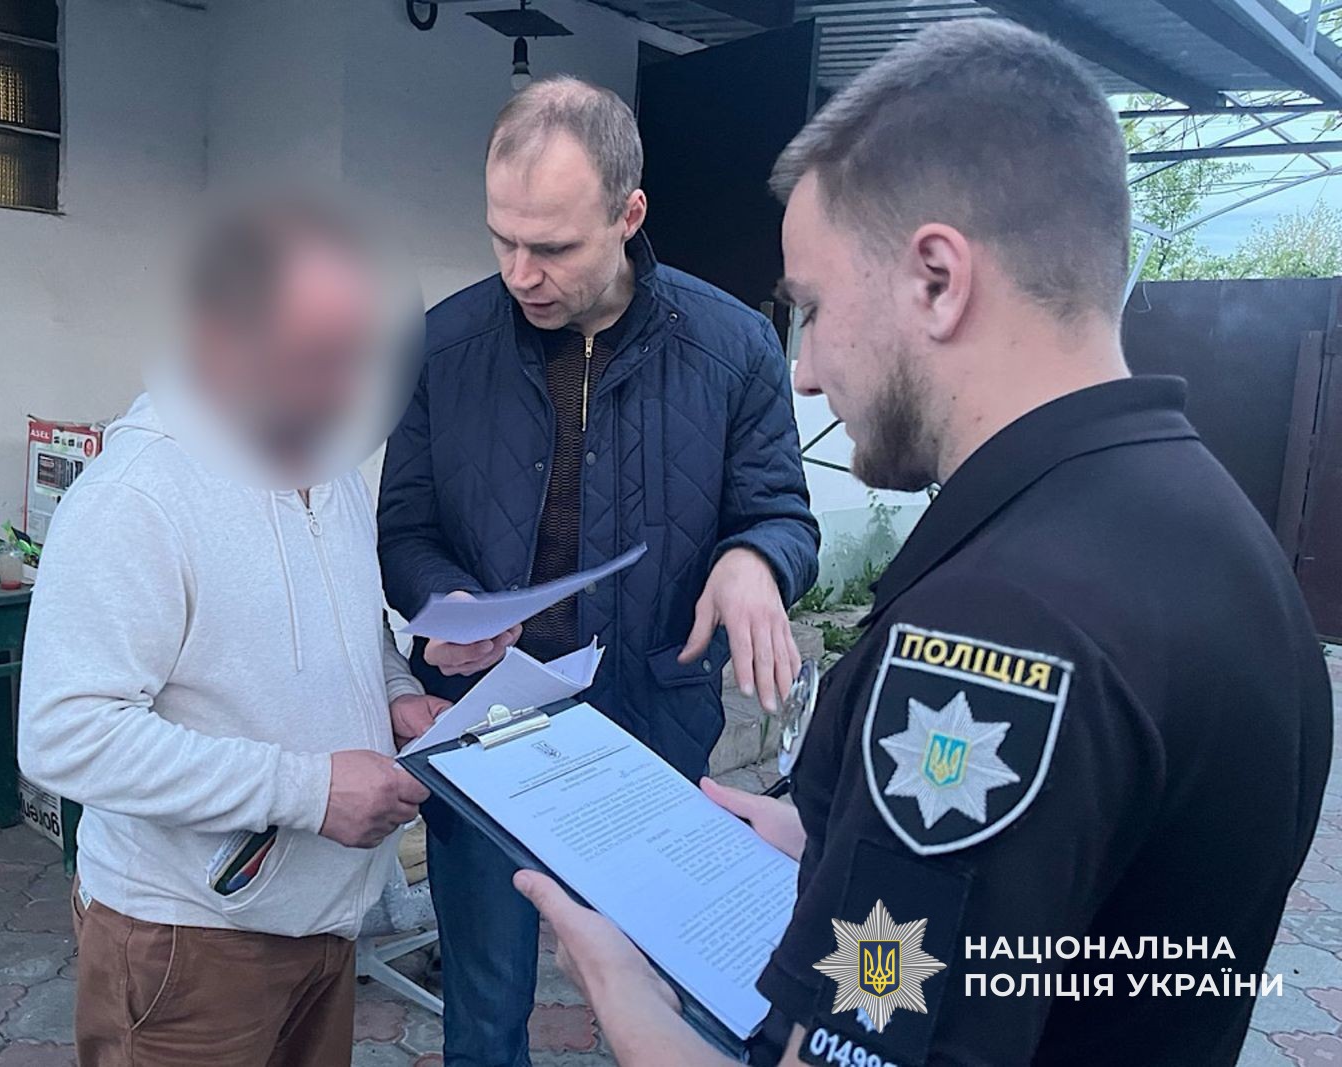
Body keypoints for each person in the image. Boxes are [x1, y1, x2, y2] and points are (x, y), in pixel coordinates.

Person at [515, 19, 1333, 1067]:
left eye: (813, 308)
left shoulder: (992, 630)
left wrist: (630, 1008)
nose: (806, 371)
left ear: (938, 278)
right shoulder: (1222, 534)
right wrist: (839, 841)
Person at [377, 76, 821, 1066]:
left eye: (552, 247)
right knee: (484, 1004)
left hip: (654, 720)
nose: (520, 272)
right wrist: (445, 603)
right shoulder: (441, 345)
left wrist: (754, 559)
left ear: (630, 214)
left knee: (672, 994)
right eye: (502, 239)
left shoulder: (732, 345)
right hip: (489, 723)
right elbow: (404, 528)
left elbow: (781, 514)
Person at [19, 199, 442, 1067]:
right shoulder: (136, 496)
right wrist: (310, 791)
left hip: (323, 922)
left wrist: (396, 690)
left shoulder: (327, 460)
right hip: (188, 944)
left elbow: (352, 621)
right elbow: (65, 734)